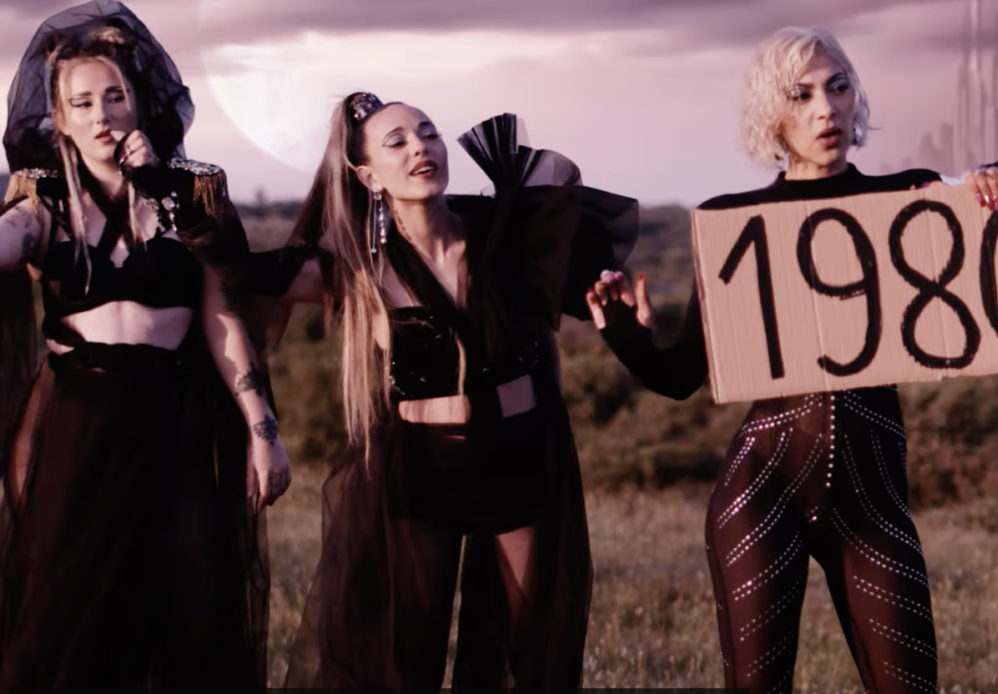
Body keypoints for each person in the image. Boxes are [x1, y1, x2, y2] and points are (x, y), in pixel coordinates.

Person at [586, 26, 998, 694]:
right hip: (762, 491)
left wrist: (989, 181)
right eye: (802, 94)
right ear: (772, 113)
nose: (826, 109)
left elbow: (995, 249)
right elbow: (679, 377)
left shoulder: (910, 197)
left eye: (838, 87)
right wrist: (621, 329)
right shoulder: (734, 223)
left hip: (873, 502)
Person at [247, 92, 637, 687]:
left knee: (530, 652)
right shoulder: (357, 268)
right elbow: (236, 273)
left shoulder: (502, 236)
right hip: (419, 468)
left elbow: (562, 319)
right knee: (404, 660)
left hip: (520, 454)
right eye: (397, 142)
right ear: (367, 175)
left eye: (428, 132)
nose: (420, 148)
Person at [0, 1, 291, 687]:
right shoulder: (44, 203)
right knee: (71, 615)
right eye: (82, 104)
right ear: (59, 120)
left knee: (189, 610)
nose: (102, 115)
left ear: (138, 100)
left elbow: (223, 320)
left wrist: (263, 430)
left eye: (114, 96)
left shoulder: (194, 195)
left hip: (176, 420)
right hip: (81, 426)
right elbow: (9, 239)